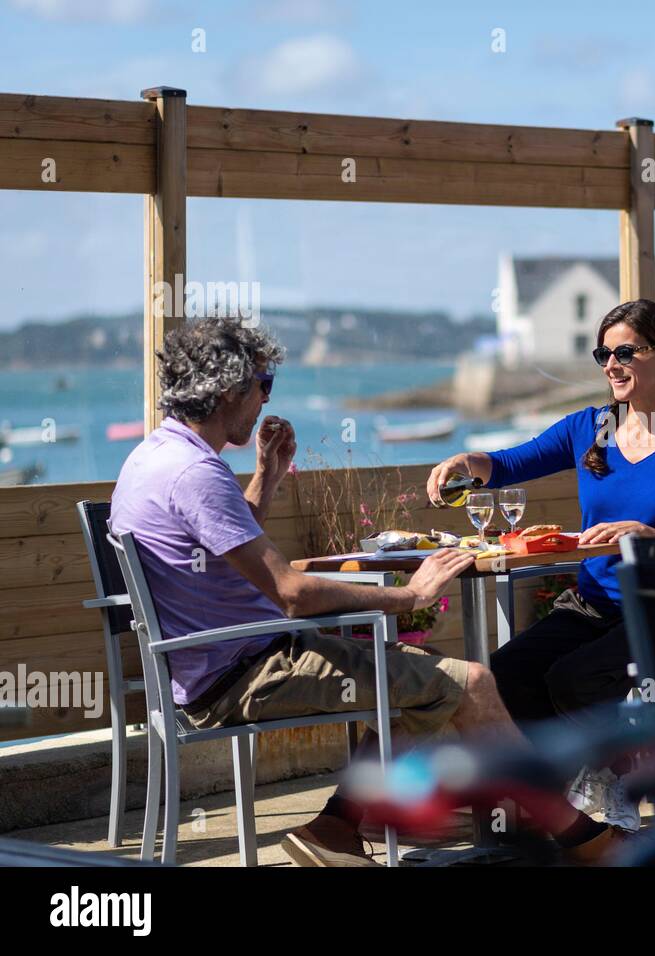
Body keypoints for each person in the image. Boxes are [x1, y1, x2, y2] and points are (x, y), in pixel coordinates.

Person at [111, 318, 623, 866]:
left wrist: (265, 478)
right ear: (231, 389)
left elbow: (219, 550)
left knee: (419, 675)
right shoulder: (197, 473)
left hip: (213, 664)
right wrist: (410, 595)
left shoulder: (154, 458)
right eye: (264, 385)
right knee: (470, 681)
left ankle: (336, 825)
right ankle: (586, 841)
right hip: (245, 672)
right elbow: (289, 593)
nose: (264, 400)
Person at [426, 300, 655, 831]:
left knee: (575, 678)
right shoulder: (586, 429)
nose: (611, 365)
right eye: (603, 354)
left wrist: (645, 535)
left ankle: (618, 768)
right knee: (505, 675)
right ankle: (548, 793)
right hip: (592, 604)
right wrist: (464, 464)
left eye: (625, 352)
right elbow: (507, 463)